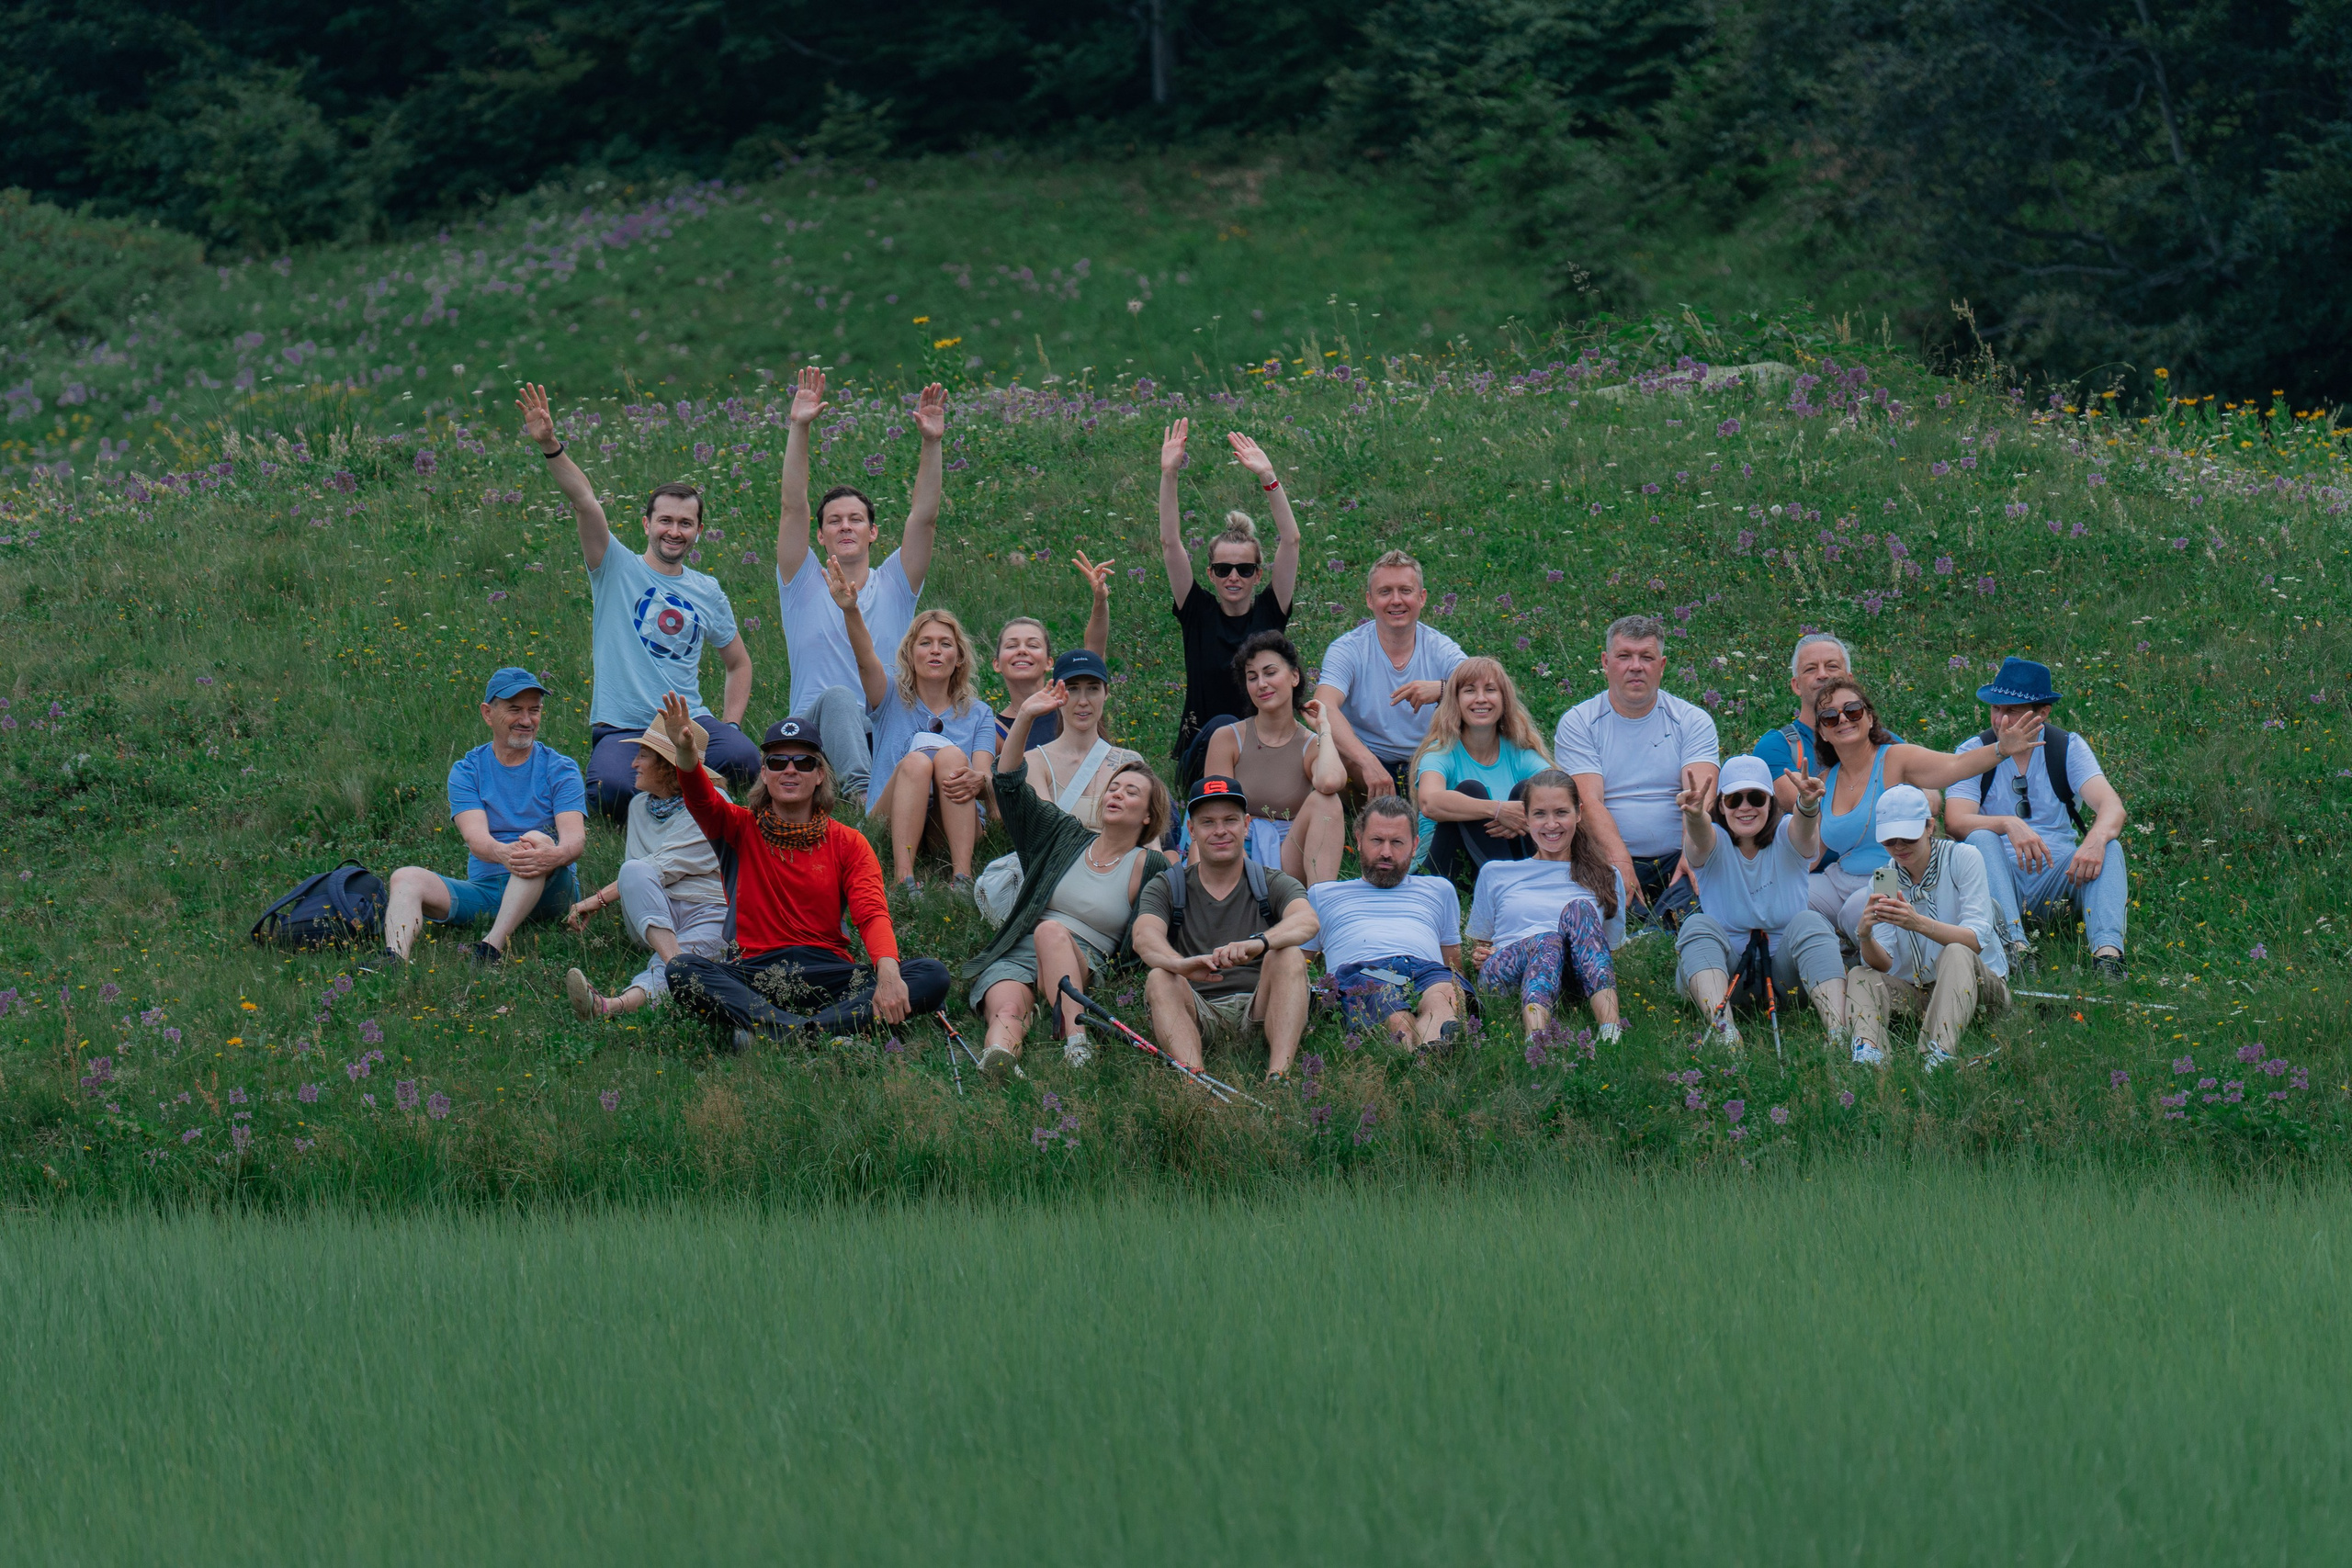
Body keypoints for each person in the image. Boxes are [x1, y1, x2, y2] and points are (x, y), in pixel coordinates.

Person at [516, 383, 758, 821]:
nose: (674, 531)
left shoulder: (707, 590)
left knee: (745, 760)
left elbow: (738, 662)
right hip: (624, 727)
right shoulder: (614, 567)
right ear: (647, 524)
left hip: (689, 723)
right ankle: (684, 788)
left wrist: (731, 724)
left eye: (685, 523)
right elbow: (584, 501)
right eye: (665, 520)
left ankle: (681, 783)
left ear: (698, 531)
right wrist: (551, 445)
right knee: (611, 793)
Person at [659, 695, 951, 1045]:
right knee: (682, 970)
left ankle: (778, 1030)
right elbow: (701, 799)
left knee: (931, 975)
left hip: (830, 974)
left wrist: (888, 972)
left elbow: (872, 914)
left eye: (804, 762)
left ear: (820, 775)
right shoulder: (737, 828)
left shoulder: (849, 843)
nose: (790, 770)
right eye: (777, 761)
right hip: (756, 973)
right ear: (764, 773)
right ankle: (824, 1029)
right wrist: (686, 754)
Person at [964, 682, 1175, 1076]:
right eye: (1113, 788)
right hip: (1022, 950)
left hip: (1084, 961)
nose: (1116, 794)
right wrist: (1026, 717)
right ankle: (1000, 1059)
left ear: (1149, 815)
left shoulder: (1151, 867)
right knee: (1007, 1008)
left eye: (1131, 792)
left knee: (1051, 932)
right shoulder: (1065, 835)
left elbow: (1165, 927)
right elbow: (1009, 786)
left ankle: (1077, 1043)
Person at [774, 366, 948, 801]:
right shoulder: (801, 581)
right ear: (820, 535)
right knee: (837, 698)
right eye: (834, 521)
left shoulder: (895, 583)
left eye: (856, 519)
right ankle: (860, 793)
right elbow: (793, 506)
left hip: (885, 726)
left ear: (873, 532)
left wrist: (932, 443)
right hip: (814, 733)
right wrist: (799, 427)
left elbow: (924, 518)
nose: (846, 526)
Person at [374, 668, 586, 970]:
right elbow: (477, 840)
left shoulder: (560, 768)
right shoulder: (467, 770)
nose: (527, 720)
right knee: (405, 877)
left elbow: (574, 841)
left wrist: (548, 856)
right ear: (488, 713)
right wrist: (504, 853)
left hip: (552, 890)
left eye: (534, 710)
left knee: (534, 841)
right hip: (488, 890)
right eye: (515, 709)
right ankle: (394, 958)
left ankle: (490, 948)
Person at [1807, 672, 2044, 939]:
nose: (1842, 719)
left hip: (1892, 875)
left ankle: (1869, 951)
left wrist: (2001, 749)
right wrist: (1804, 807)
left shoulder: (1896, 759)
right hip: (1841, 878)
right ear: (1823, 732)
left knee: (1858, 911)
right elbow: (1810, 855)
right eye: (1830, 716)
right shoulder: (1825, 781)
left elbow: (1955, 766)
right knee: (1795, 899)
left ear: (1869, 718)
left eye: (1852, 710)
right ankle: (1831, 949)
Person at [1942, 657, 2130, 978]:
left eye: (2012, 710)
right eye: (1995, 708)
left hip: (2059, 874)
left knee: (2110, 847)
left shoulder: (2066, 747)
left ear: (2043, 712)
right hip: (1996, 878)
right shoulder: (1973, 751)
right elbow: (1955, 822)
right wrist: (2008, 823)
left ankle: (2108, 958)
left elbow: (2112, 806)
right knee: (1981, 838)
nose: (2000, 720)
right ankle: (2015, 948)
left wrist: (2095, 840)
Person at [1132, 777, 1320, 1079]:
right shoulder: (1168, 885)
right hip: (1197, 1009)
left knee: (1288, 955)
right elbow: (1144, 935)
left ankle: (1279, 1076)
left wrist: (1260, 943)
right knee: (1159, 977)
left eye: (1230, 820)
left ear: (1245, 825)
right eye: (1208, 822)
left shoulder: (1271, 881)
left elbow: (1307, 920)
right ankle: (1196, 1081)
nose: (1220, 831)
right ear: (1192, 830)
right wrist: (1179, 964)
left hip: (1261, 1007)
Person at [829, 568, 995, 894]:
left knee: (951, 758)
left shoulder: (978, 713)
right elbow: (865, 660)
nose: (935, 650)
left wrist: (979, 780)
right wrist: (851, 610)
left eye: (945, 644)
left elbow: (984, 774)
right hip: (890, 818)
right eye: (925, 643)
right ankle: (903, 879)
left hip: (954, 822)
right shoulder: (889, 696)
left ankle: (963, 878)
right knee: (917, 762)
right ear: (910, 653)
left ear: (958, 658)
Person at [1551, 615, 1720, 927]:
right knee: (1591, 899)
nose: (1636, 666)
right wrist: (1620, 862)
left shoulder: (1692, 720)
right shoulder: (1579, 722)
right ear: (1606, 662)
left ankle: (1663, 918)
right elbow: (1587, 801)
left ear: (1662, 665)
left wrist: (1693, 853)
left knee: (1711, 875)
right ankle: (1659, 920)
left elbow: (1699, 797)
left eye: (1647, 657)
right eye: (1624, 656)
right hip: (1607, 856)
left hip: (1679, 854)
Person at [560, 718, 730, 1021]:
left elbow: (663, 866)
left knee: (671, 956)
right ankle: (681, 967)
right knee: (633, 870)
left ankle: (611, 1005)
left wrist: (597, 900)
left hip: (707, 912)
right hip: (652, 915)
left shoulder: (715, 804)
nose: (633, 764)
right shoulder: (638, 806)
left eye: (642, 756)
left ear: (668, 765)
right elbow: (639, 875)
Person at [1158, 418, 1299, 783]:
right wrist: (1169, 474)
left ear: (1258, 574)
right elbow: (1170, 543)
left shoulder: (1270, 612)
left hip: (1263, 751)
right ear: (1210, 573)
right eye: (1223, 569)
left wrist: (1268, 477)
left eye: (1244, 569)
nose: (1233, 577)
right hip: (1202, 756)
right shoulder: (1197, 612)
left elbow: (1291, 541)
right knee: (1224, 724)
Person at [1672, 754, 1846, 1050]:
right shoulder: (1714, 840)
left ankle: (1839, 1032)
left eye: (1755, 797)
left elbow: (1804, 831)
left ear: (1770, 802)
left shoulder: (1787, 833)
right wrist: (1695, 815)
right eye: (1733, 800)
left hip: (1788, 975)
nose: (1745, 807)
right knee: (1697, 925)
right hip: (1723, 972)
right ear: (1721, 806)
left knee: (1811, 922)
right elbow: (1700, 837)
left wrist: (1807, 805)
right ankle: (1724, 1032)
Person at [1848, 784, 2009, 1071]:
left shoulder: (1963, 857)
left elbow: (1975, 939)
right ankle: (1870, 1052)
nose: (1899, 846)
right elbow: (1883, 964)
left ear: (1929, 827)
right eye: (1889, 840)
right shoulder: (1885, 878)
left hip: (1980, 987)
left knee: (1956, 951)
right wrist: (1865, 936)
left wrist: (1919, 924)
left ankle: (1938, 1052)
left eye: (1908, 836)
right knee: (1860, 974)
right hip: (1920, 992)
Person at [1465, 770, 1628, 1042]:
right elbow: (1481, 945)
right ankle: (1537, 1040)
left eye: (1561, 812)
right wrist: (1480, 954)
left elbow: (1606, 952)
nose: (1551, 824)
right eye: (1540, 814)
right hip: (1509, 972)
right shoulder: (1496, 873)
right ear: (1526, 817)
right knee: (1548, 940)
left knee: (1579, 909)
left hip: (1573, 977)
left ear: (1578, 813)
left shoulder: (1607, 876)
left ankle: (1611, 1031)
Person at [1302, 796, 1466, 1053]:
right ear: (1359, 840)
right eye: (1377, 840)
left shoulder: (1439, 889)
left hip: (1426, 970)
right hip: (1364, 971)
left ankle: (1433, 1053)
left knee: (1445, 995)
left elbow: (1453, 965)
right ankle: (1421, 1062)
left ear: (1414, 845)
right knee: (1396, 1016)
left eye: (1397, 842)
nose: (1386, 853)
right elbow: (1299, 964)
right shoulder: (1322, 894)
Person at [1315, 551, 1467, 798]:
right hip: (1366, 762)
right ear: (1370, 600)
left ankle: (1424, 804)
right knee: (1331, 752)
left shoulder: (1441, 648)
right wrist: (1367, 762)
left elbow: (1484, 688)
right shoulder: (1348, 649)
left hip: (1429, 760)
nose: (1396, 600)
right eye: (1385, 592)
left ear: (1422, 597)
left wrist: (1443, 689)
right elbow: (1322, 706)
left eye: (1405, 591)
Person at [1198, 632, 1348, 884]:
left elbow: (1330, 782)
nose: (1262, 684)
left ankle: (1321, 901)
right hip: (1235, 849)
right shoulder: (1227, 738)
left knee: (1327, 802)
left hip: (1289, 856)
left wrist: (1324, 729)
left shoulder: (1310, 744)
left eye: (1270, 673)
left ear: (1294, 676)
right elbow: (1216, 810)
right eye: (1252, 677)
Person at [1411, 657, 1552, 883]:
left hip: (1506, 862)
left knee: (1530, 791)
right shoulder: (1441, 752)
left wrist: (1523, 814)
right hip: (1442, 872)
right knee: (1470, 790)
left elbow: (1562, 794)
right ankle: (1512, 890)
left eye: (1490, 689)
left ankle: (1524, 885)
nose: (1481, 699)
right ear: (1455, 701)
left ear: (1504, 699)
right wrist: (1496, 811)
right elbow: (1429, 803)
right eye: (1469, 690)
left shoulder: (1518, 753)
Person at [990, 555, 1113, 756]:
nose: (1022, 650)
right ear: (996, 664)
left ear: (1049, 662)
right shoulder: (993, 730)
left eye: (1033, 645)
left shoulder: (1072, 703)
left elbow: (1094, 650)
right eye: (1012, 645)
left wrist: (1100, 601)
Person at [1017, 649, 1145, 832]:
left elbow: (1149, 838)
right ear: (1056, 693)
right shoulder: (1036, 761)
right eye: (1072, 689)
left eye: (1093, 688)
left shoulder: (1130, 761)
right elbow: (1048, 833)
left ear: (1106, 693)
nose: (1083, 701)